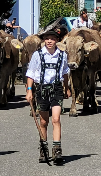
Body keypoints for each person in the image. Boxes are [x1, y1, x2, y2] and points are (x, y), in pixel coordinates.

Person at [25, 26, 71, 165]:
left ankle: (57, 150)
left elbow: (65, 73)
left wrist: (66, 88)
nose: (49, 41)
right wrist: (29, 90)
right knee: (44, 121)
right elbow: (31, 74)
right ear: (44, 40)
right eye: (47, 39)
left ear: (57, 40)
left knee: (56, 119)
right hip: (42, 89)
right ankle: (43, 148)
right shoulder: (38, 55)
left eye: (52, 39)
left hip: (56, 88)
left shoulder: (62, 55)